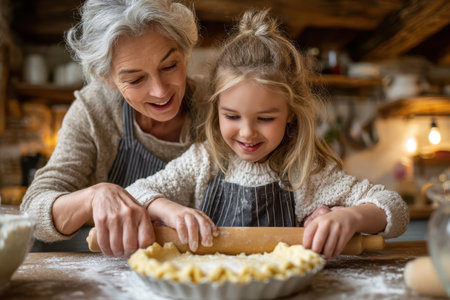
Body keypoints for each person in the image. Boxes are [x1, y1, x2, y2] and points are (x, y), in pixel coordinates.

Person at [125, 9, 409, 259]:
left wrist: (352, 217)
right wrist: (170, 211)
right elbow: (133, 194)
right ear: (216, 110)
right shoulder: (204, 162)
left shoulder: (305, 176)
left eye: (265, 118)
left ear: (290, 114)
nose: (247, 133)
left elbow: (395, 209)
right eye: (232, 116)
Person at [20, 0, 209, 258]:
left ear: (185, 51)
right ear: (107, 77)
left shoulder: (219, 105)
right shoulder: (94, 109)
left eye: (169, 66)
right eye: (135, 79)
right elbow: (32, 211)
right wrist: (95, 196)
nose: (160, 91)